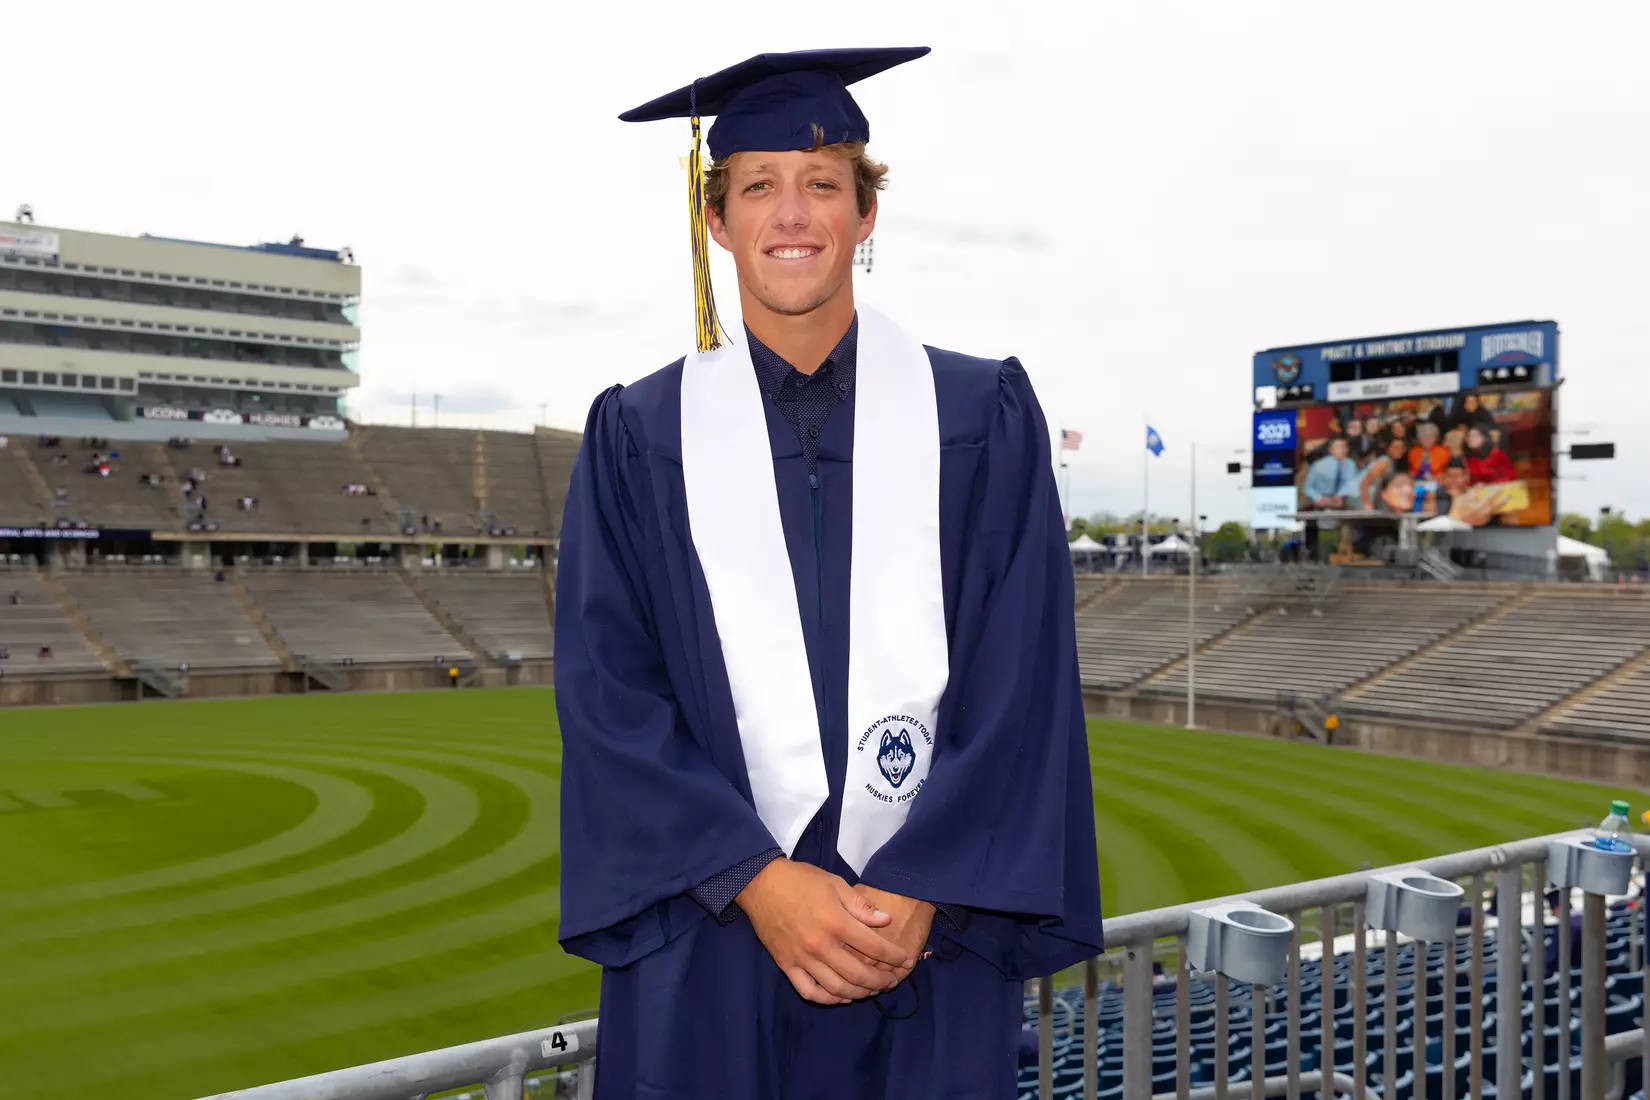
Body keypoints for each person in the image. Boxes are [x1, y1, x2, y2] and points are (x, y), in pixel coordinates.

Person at [556, 47, 1102, 1100]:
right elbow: (608, 692)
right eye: (759, 185)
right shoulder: (639, 434)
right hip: (715, 937)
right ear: (716, 221)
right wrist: (757, 880)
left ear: (865, 213)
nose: (792, 213)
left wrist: (922, 884)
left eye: (821, 183)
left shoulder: (979, 416)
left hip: (925, 942)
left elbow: (1024, 674)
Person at [1302, 437, 1359, 510]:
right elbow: (1307, 488)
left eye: (1345, 447)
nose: (1342, 450)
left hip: (1343, 500)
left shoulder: (1351, 464)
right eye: (1338, 447)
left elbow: (1352, 483)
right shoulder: (1319, 465)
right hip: (1322, 498)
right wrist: (1319, 498)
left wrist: (1340, 496)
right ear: (1330, 450)